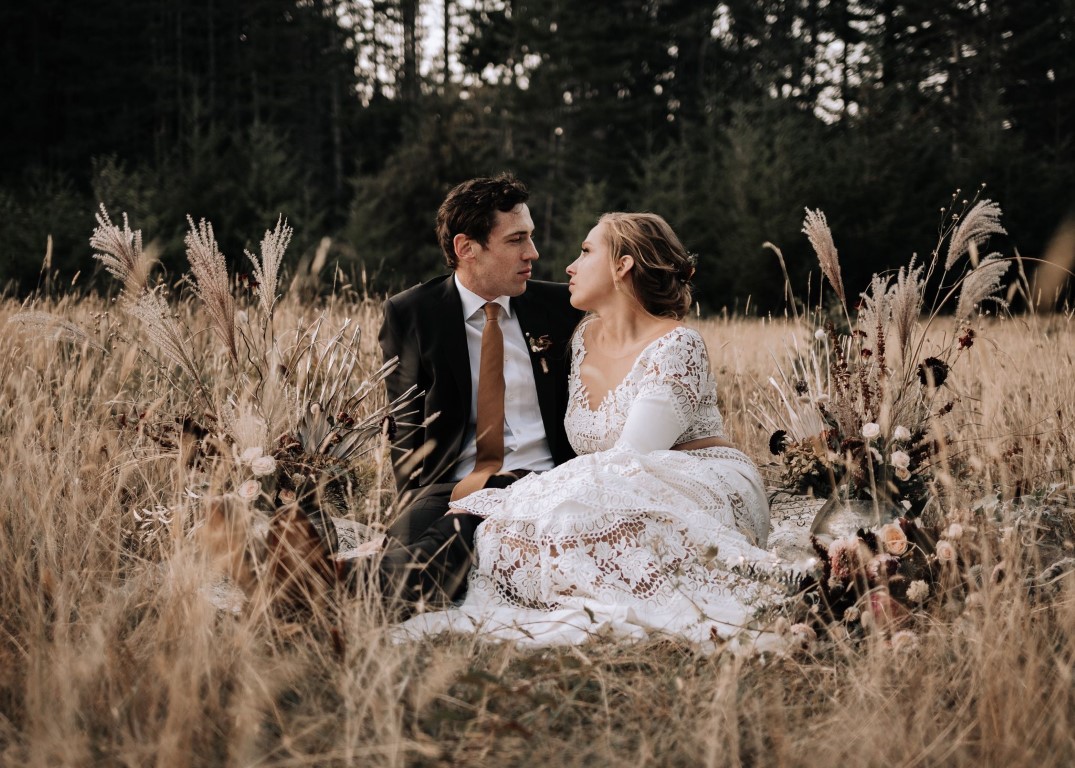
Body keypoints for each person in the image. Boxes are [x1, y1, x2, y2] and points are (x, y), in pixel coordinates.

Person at [396, 212, 782, 648]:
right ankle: (369, 575)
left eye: (585, 252)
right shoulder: (582, 338)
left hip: (694, 479)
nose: (568, 267)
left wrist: (504, 499)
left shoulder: (678, 344)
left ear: (623, 266)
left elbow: (634, 458)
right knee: (486, 526)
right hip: (611, 488)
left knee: (519, 525)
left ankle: (372, 582)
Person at [371, 173, 584, 610]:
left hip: (543, 481)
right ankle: (336, 581)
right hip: (450, 484)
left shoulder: (562, 309)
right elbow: (406, 430)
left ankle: (344, 586)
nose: (533, 253)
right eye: (516, 240)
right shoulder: (412, 314)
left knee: (464, 529)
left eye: (531, 238)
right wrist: (413, 503)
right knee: (413, 531)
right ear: (466, 248)